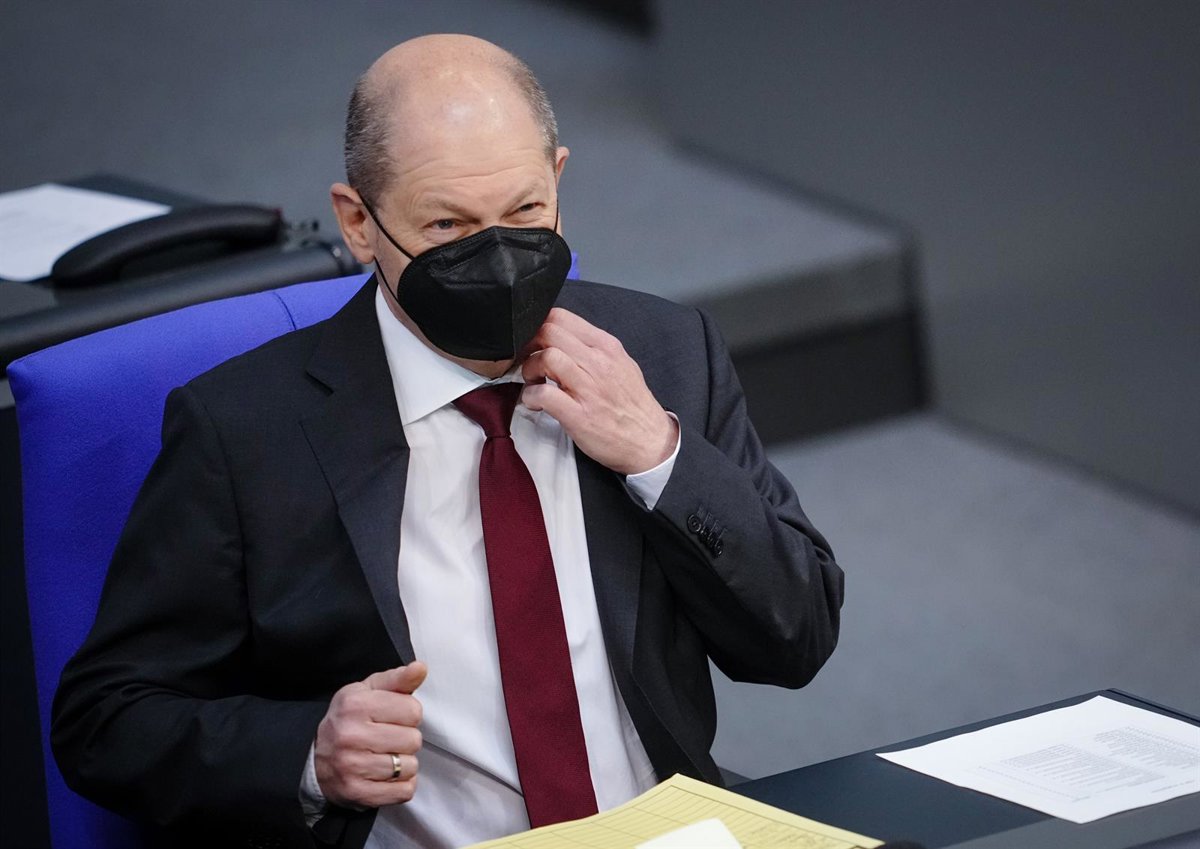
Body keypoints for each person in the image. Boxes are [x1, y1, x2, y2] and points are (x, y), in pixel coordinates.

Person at [52, 33, 844, 849]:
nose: (498, 257)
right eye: (446, 224)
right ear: (358, 223)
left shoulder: (664, 353)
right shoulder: (247, 432)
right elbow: (105, 718)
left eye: (525, 212)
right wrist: (308, 755)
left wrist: (657, 454)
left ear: (559, 180)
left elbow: (797, 637)